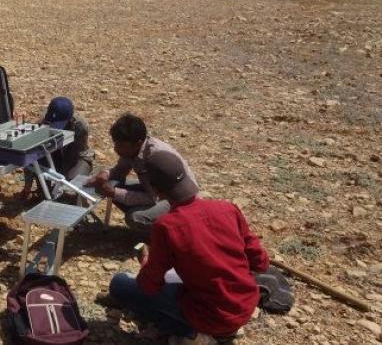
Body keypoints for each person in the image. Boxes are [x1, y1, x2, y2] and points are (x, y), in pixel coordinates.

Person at [108, 151, 269, 344]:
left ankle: (192, 333)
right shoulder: (227, 208)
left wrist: (145, 263)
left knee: (120, 284)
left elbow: (150, 284)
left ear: (157, 189)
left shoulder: (166, 226)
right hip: (245, 305)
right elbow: (261, 263)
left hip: (210, 316)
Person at [85, 113, 196, 242]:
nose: (116, 149)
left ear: (137, 143)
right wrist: (105, 174)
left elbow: (151, 198)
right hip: (158, 191)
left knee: (135, 218)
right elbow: (120, 170)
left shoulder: (152, 158)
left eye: (120, 145)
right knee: (115, 185)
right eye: (115, 143)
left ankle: (167, 238)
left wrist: (113, 192)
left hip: (177, 198)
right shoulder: (132, 149)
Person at [20, 97, 94, 197]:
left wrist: (62, 181)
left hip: (76, 158)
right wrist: (27, 186)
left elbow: (74, 155)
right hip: (54, 155)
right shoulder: (42, 123)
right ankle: (43, 194)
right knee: (39, 164)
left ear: (70, 118)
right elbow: (31, 156)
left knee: (74, 185)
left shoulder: (80, 126)